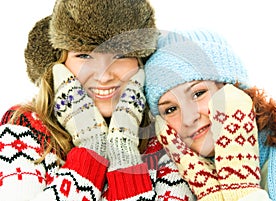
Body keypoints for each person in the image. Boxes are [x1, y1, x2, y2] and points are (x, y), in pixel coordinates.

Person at [0, 0, 197, 200]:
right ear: (57, 65)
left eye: (120, 55)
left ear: (141, 64)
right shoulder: (25, 128)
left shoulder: (166, 141)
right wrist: (91, 146)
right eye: (85, 55)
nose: (104, 77)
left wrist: (123, 149)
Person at [144, 29, 276, 201]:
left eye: (198, 94)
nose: (189, 118)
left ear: (233, 89)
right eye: (170, 109)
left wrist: (242, 189)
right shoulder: (172, 185)